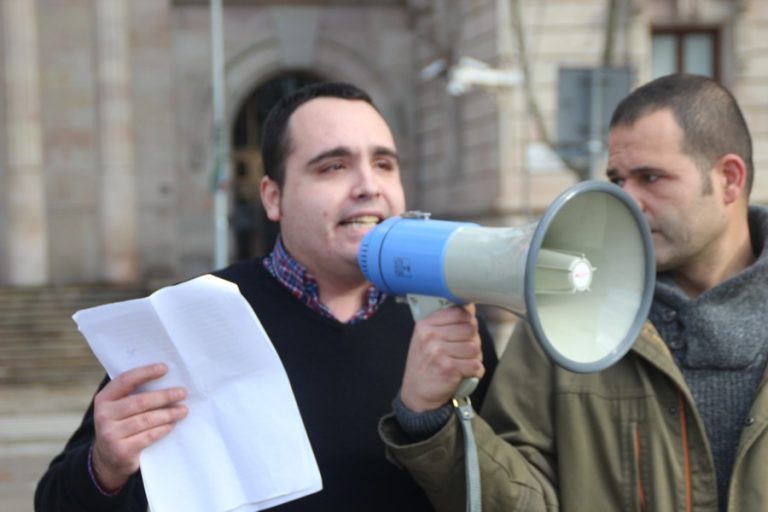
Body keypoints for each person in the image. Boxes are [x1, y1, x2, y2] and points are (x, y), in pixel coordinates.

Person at [34, 82, 498, 511]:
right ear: (273, 198)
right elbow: (56, 502)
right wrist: (105, 467)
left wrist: (430, 421)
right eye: (333, 166)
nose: (368, 186)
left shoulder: (448, 325)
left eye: (383, 164)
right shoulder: (187, 321)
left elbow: (507, 490)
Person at [379, 73, 768, 511]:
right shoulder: (556, 307)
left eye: (651, 177)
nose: (627, 200)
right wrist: (434, 424)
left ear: (729, 179)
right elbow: (525, 498)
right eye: (618, 179)